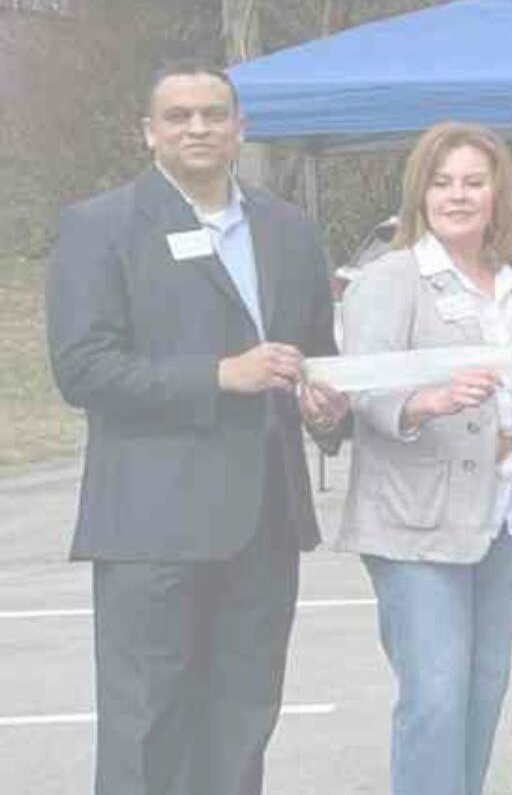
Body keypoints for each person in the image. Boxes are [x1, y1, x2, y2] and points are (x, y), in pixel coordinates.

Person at [49, 60, 351, 795]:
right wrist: (220, 376)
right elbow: (83, 369)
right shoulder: (100, 227)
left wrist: (327, 409)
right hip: (151, 526)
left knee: (243, 723)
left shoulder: (288, 230)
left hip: (264, 524)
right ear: (148, 133)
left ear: (240, 128)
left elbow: (315, 356)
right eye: (179, 116)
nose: (198, 127)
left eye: (214, 114)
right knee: (147, 731)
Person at [331, 122, 512, 795]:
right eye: (441, 182)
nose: (457, 195)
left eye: (473, 181)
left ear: (498, 194)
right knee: (434, 698)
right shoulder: (390, 278)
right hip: (417, 520)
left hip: (507, 515)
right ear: (419, 194)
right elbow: (362, 386)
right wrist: (423, 401)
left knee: (483, 693)